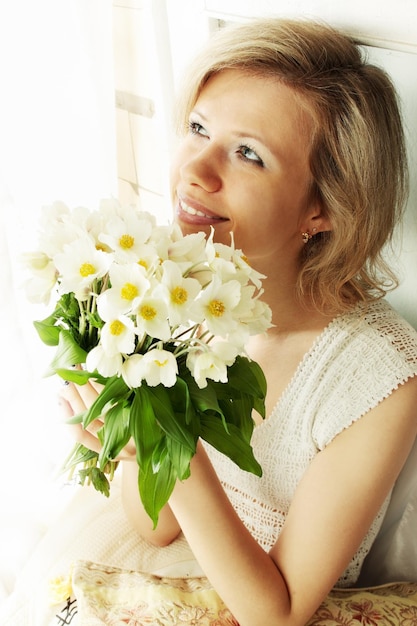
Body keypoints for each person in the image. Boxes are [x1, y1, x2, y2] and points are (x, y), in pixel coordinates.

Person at [50, 17, 417, 626]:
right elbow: (154, 526)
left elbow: (279, 615)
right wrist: (135, 451)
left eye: (249, 153)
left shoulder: (380, 376)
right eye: (198, 128)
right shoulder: (178, 295)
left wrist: (175, 446)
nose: (197, 170)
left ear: (322, 208)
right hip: (161, 581)